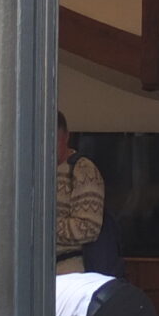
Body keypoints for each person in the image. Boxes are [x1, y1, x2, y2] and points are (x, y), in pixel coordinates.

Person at [55, 112, 105, 274]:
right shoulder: (31, 171)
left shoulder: (83, 170)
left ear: (66, 136)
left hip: (69, 270)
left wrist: (41, 227)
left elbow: (89, 228)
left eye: (54, 139)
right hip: (32, 270)